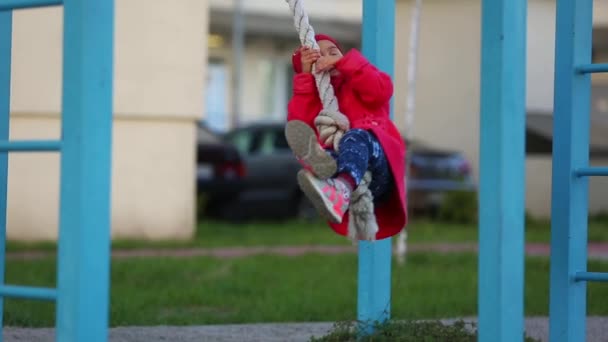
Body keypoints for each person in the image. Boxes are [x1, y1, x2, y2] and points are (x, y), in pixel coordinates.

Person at [285, 34, 407, 240]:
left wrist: (347, 64)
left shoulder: (357, 82)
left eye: (333, 52)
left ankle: (341, 187)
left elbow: (381, 90)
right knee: (328, 151)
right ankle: (329, 174)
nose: (328, 58)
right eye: (318, 58)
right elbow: (300, 124)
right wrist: (306, 78)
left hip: (379, 169)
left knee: (355, 137)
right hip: (352, 179)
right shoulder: (317, 99)